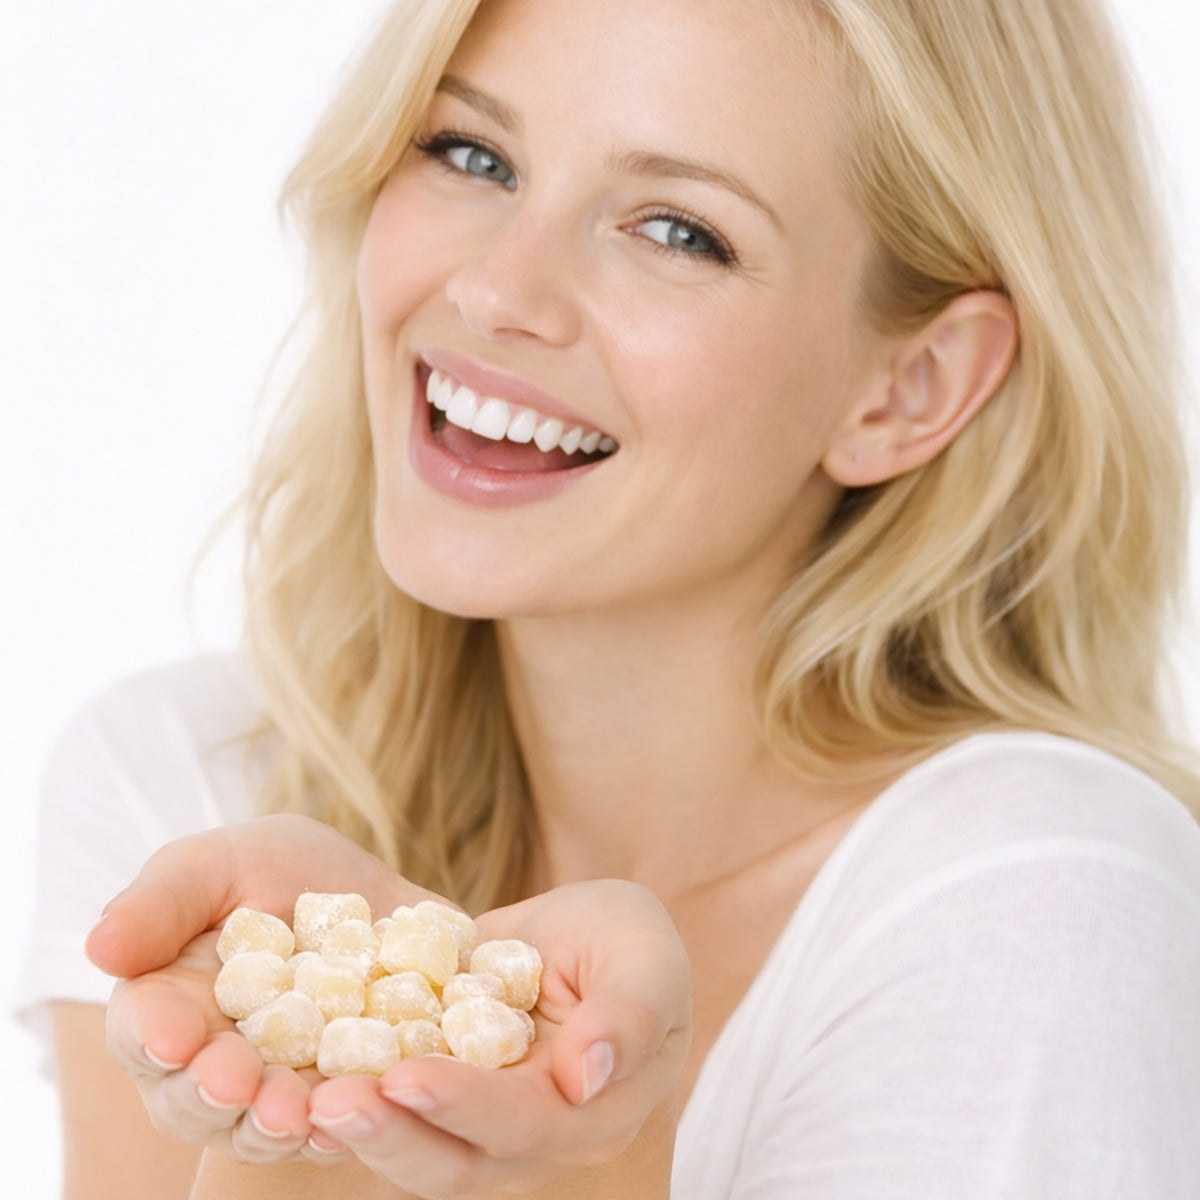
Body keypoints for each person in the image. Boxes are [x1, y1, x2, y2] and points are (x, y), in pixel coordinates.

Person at [16, 0, 1200, 1196]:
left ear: (910, 387)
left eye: (679, 231)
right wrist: (292, 1128)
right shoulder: (187, 795)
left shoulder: (1033, 902)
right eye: (472, 154)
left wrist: (596, 1159)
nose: (495, 291)